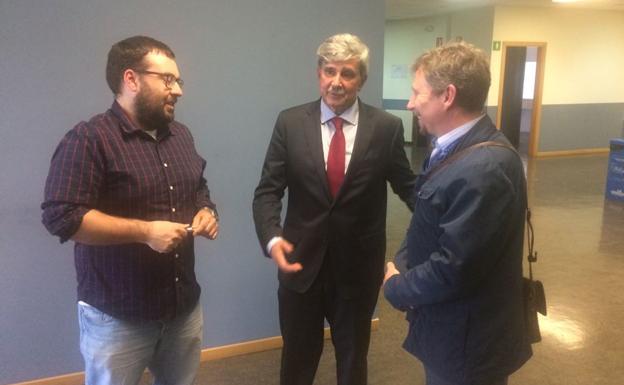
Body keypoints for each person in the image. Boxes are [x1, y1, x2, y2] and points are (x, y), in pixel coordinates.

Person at [41, 35, 219, 385]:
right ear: (131, 79)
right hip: (117, 318)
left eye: (178, 80)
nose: (178, 90)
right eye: (167, 79)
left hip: (183, 310)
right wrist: (145, 232)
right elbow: (61, 216)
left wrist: (206, 210)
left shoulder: (181, 135)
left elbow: (199, 186)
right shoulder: (89, 139)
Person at [252, 33, 416, 385]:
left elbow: (410, 189)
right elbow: (267, 191)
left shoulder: (386, 128)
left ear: (362, 79)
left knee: (353, 361)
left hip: (358, 270)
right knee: (296, 360)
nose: (336, 82)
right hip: (300, 264)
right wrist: (272, 238)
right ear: (318, 73)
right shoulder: (290, 123)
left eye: (348, 73)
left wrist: (441, 225)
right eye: (329, 71)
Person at [383, 42, 532, 385]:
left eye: (416, 93)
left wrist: (396, 285)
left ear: (447, 96)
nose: (410, 103)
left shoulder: (484, 169)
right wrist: (403, 261)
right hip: (447, 330)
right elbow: (426, 215)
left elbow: (454, 268)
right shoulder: (452, 149)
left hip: (468, 347)